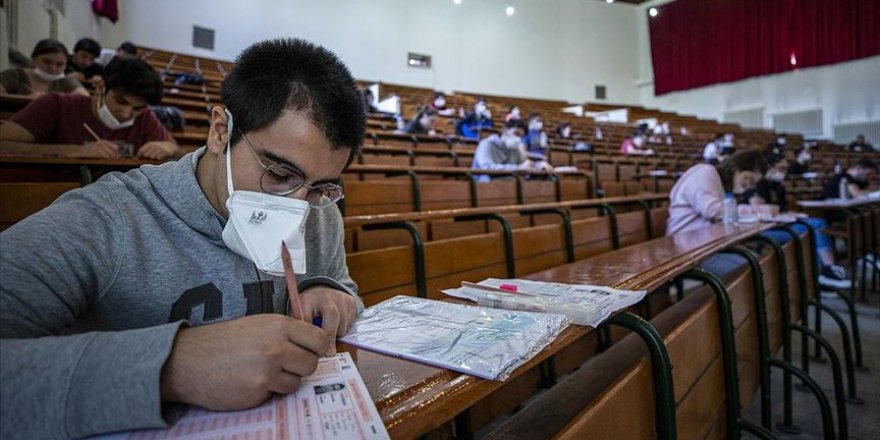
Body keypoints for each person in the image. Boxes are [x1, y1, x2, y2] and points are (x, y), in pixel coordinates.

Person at [0, 38, 365, 439]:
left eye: (320, 187)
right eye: (279, 175)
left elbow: (345, 291)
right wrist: (170, 366)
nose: (298, 208)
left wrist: (330, 293)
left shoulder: (320, 212)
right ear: (220, 131)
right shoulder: (110, 220)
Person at [1, 58, 178, 160]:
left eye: (137, 108)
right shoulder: (55, 105)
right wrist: (76, 151)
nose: (126, 115)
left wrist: (168, 148)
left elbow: (178, 152)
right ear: (101, 87)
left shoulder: (145, 117)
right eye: (120, 101)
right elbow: (3, 144)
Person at [746, 153, 851, 288]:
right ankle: (823, 272)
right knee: (810, 230)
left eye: (785, 170)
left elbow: (780, 209)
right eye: (781, 169)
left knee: (819, 223)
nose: (783, 173)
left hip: (781, 223)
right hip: (766, 229)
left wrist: (790, 214)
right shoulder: (761, 185)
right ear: (770, 167)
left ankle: (827, 269)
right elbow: (758, 211)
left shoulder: (779, 187)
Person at [666, 149, 767, 235]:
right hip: (686, 243)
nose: (749, 185)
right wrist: (759, 210)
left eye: (753, 184)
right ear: (736, 169)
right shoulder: (705, 172)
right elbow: (711, 210)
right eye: (748, 178)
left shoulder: (722, 185)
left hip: (707, 241)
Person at [0, 39, 88, 97]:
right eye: (47, 62)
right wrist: (26, 98)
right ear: (34, 59)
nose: (53, 68)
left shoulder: (66, 81)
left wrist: (51, 98)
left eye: (59, 64)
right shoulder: (14, 76)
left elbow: (84, 98)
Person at [472, 120, 550, 182]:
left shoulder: (514, 148)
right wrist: (517, 168)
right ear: (504, 130)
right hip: (483, 183)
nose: (518, 139)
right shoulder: (486, 144)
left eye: (521, 136)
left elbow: (524, 164)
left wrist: (539, 165)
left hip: (507, 182)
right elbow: (486, 167)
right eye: (516, 133)